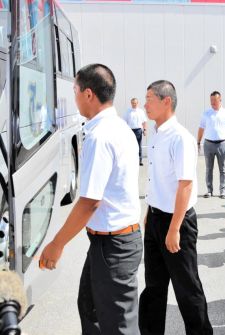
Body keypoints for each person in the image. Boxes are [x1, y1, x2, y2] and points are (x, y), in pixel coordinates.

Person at [39, 64, 143, 335]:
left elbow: (89, 202)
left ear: (88, 94)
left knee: (118, 326)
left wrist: (56, 244)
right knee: (90, 308)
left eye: (74, 91)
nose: (73, 98)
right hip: (108, 243)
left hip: (115, 245)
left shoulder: (100, 136)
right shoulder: (119, 128)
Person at [139, 80, 213, 334]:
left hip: (176, 222)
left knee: (187, 287)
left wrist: (174, 228)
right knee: (153, 287)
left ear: (166, 101)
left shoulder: (180, 137)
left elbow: (185, 185)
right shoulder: (157, 133)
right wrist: (149, 213)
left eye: (150, 99)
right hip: (156, 220)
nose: (145, 104)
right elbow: (157, 180)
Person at [197, 91, 225, 199]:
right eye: (211, 100)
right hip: (208, 144)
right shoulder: (206, 113)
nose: (212, 102)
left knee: (222, 169)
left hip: (222, 144)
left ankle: (222, 191)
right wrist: (198, 142)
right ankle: (209, 190)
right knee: (209, 168)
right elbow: (201, 128)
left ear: (220, 100)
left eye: (215, 100)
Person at [124, 97, 148, 166]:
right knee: (130, 146)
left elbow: (144, 122)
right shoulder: (128, 111)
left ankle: (139, 161)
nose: (134, 104)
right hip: (130, 131)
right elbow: (124, 121)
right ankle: (130, 160)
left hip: (138, 130)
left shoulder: (140, 111)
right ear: (131, 103)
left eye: (135, 103)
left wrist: (145, 130)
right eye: (133, 103)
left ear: (137, 103)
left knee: (138, 146)